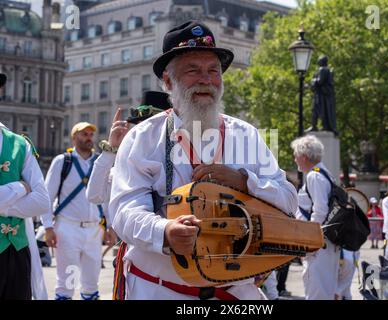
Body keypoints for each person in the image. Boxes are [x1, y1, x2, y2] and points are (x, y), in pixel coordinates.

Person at [109, 20, 298, 300]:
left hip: (236, 293)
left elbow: (289, 200)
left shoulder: (247, 135)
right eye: (193, 70)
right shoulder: (143, 138)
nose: (206, 80)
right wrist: (165, 231)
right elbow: (123, 211)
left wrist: (246, 182)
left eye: (213, 71)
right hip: (162, 291)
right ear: (168, 81)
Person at [86, 91, 171, 269]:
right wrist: (110, 150)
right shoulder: (124, 165)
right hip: (134, 262)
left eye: (150, 124)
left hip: (171, 260)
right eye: (140, 125)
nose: (143, 131)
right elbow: (94, 195)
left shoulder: (181, 161)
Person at [41, 122, 115, 300]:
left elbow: (106, 198)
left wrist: (110, 227)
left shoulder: (100, 162)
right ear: (74, 137)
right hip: (67, 228)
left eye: (90, 134)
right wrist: (48, 228)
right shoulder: (63, 161)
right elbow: (47, 196)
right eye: (84, 134)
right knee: (66, 283)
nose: (88, 137)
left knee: (92, 283)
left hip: (94, 230)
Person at [0, 72, 50, 300]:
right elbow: (30, 195)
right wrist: (20, 188)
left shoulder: (19, 144)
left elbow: (41, 201)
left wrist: (3, 205)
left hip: (17, 252)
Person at [291, 135, 339, 300]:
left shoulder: (314, 176)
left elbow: (319, 211)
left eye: (296, 155)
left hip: (318, 246)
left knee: (316, 291)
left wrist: (309, 242)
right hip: (325, 244)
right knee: (324, 290)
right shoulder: (324, 173)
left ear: (304, 157)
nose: (295, 159)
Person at [306, 56, 337, 135]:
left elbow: (320, 81)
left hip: (320, 96)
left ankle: (314, 126)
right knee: (323, 112)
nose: (318, 61)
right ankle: (324, 126)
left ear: (322, 61)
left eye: (319, 60)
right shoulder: (328, 70)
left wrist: (312, 81)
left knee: (315, 110)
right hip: (324, 95)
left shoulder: (322, 69)